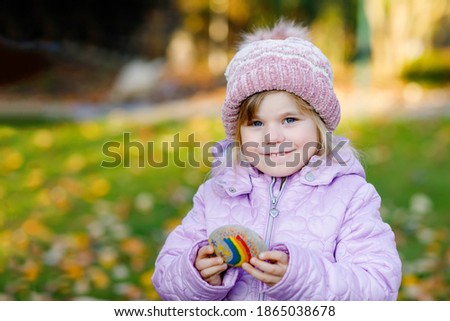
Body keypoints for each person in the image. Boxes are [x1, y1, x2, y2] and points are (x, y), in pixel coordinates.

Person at [152, 19, 401, 300]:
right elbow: (165, 277)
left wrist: (300, 278)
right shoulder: (216, 194)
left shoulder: (350, 198)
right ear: (238, 134)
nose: (272, 136)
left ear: (319, 127)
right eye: (256, 124)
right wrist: (196, 274)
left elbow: (378, 288)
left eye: (289, 119)